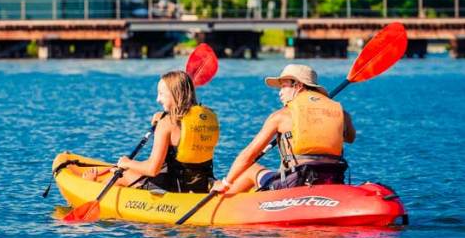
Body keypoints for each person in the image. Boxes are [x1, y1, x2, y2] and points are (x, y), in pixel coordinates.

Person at [214, 64, 355, 195]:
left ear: (298, 86)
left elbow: (248, 156)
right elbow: (350, 137)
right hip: (334, 178)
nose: (280, 93)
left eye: (283, 86)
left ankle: (221, 202)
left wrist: (226, 182)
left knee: (251, 169)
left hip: (296, 183)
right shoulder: (341, 112)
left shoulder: (280, 116)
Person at [84, 70, 219, 193]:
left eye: (161, 94)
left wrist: (127, 163)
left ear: (175, 94)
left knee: (122, 175)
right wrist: (164, 115)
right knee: (131, 171)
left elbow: (152, 169)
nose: (158, 99)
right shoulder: (208, 116)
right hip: (201, 185)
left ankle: (91, 186)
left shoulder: (166, 124)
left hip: (174, 188)